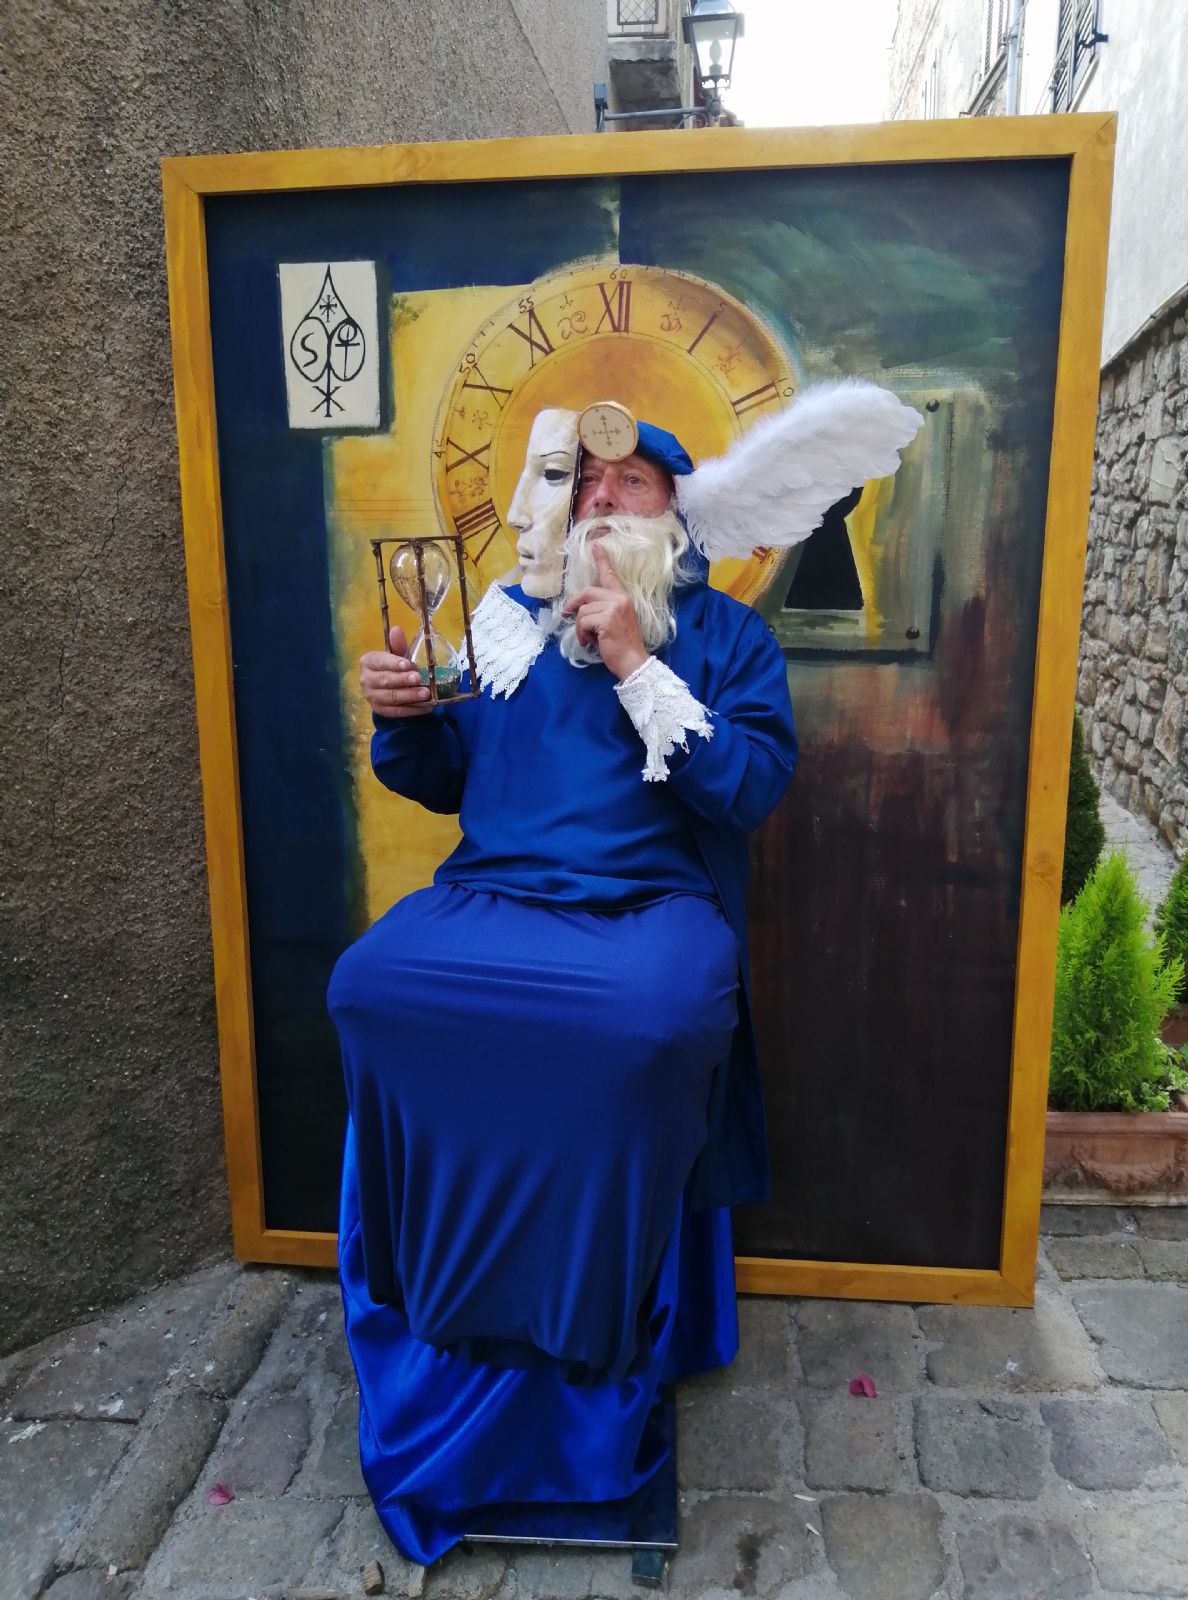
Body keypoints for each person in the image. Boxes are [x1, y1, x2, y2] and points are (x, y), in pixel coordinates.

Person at [329, 388, 923, 1565]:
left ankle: (591, 1328)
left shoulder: (727, 637)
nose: (600, 500)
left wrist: (636, 661)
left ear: (674, 511)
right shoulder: (504, 623)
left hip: (651, 914)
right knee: (370, 985)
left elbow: (748, 789)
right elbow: (442, 777)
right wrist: (403, 716)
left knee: (645, 1026)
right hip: (496, 899)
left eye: (630, 483)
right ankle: (436, 1291)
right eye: (582, 482)